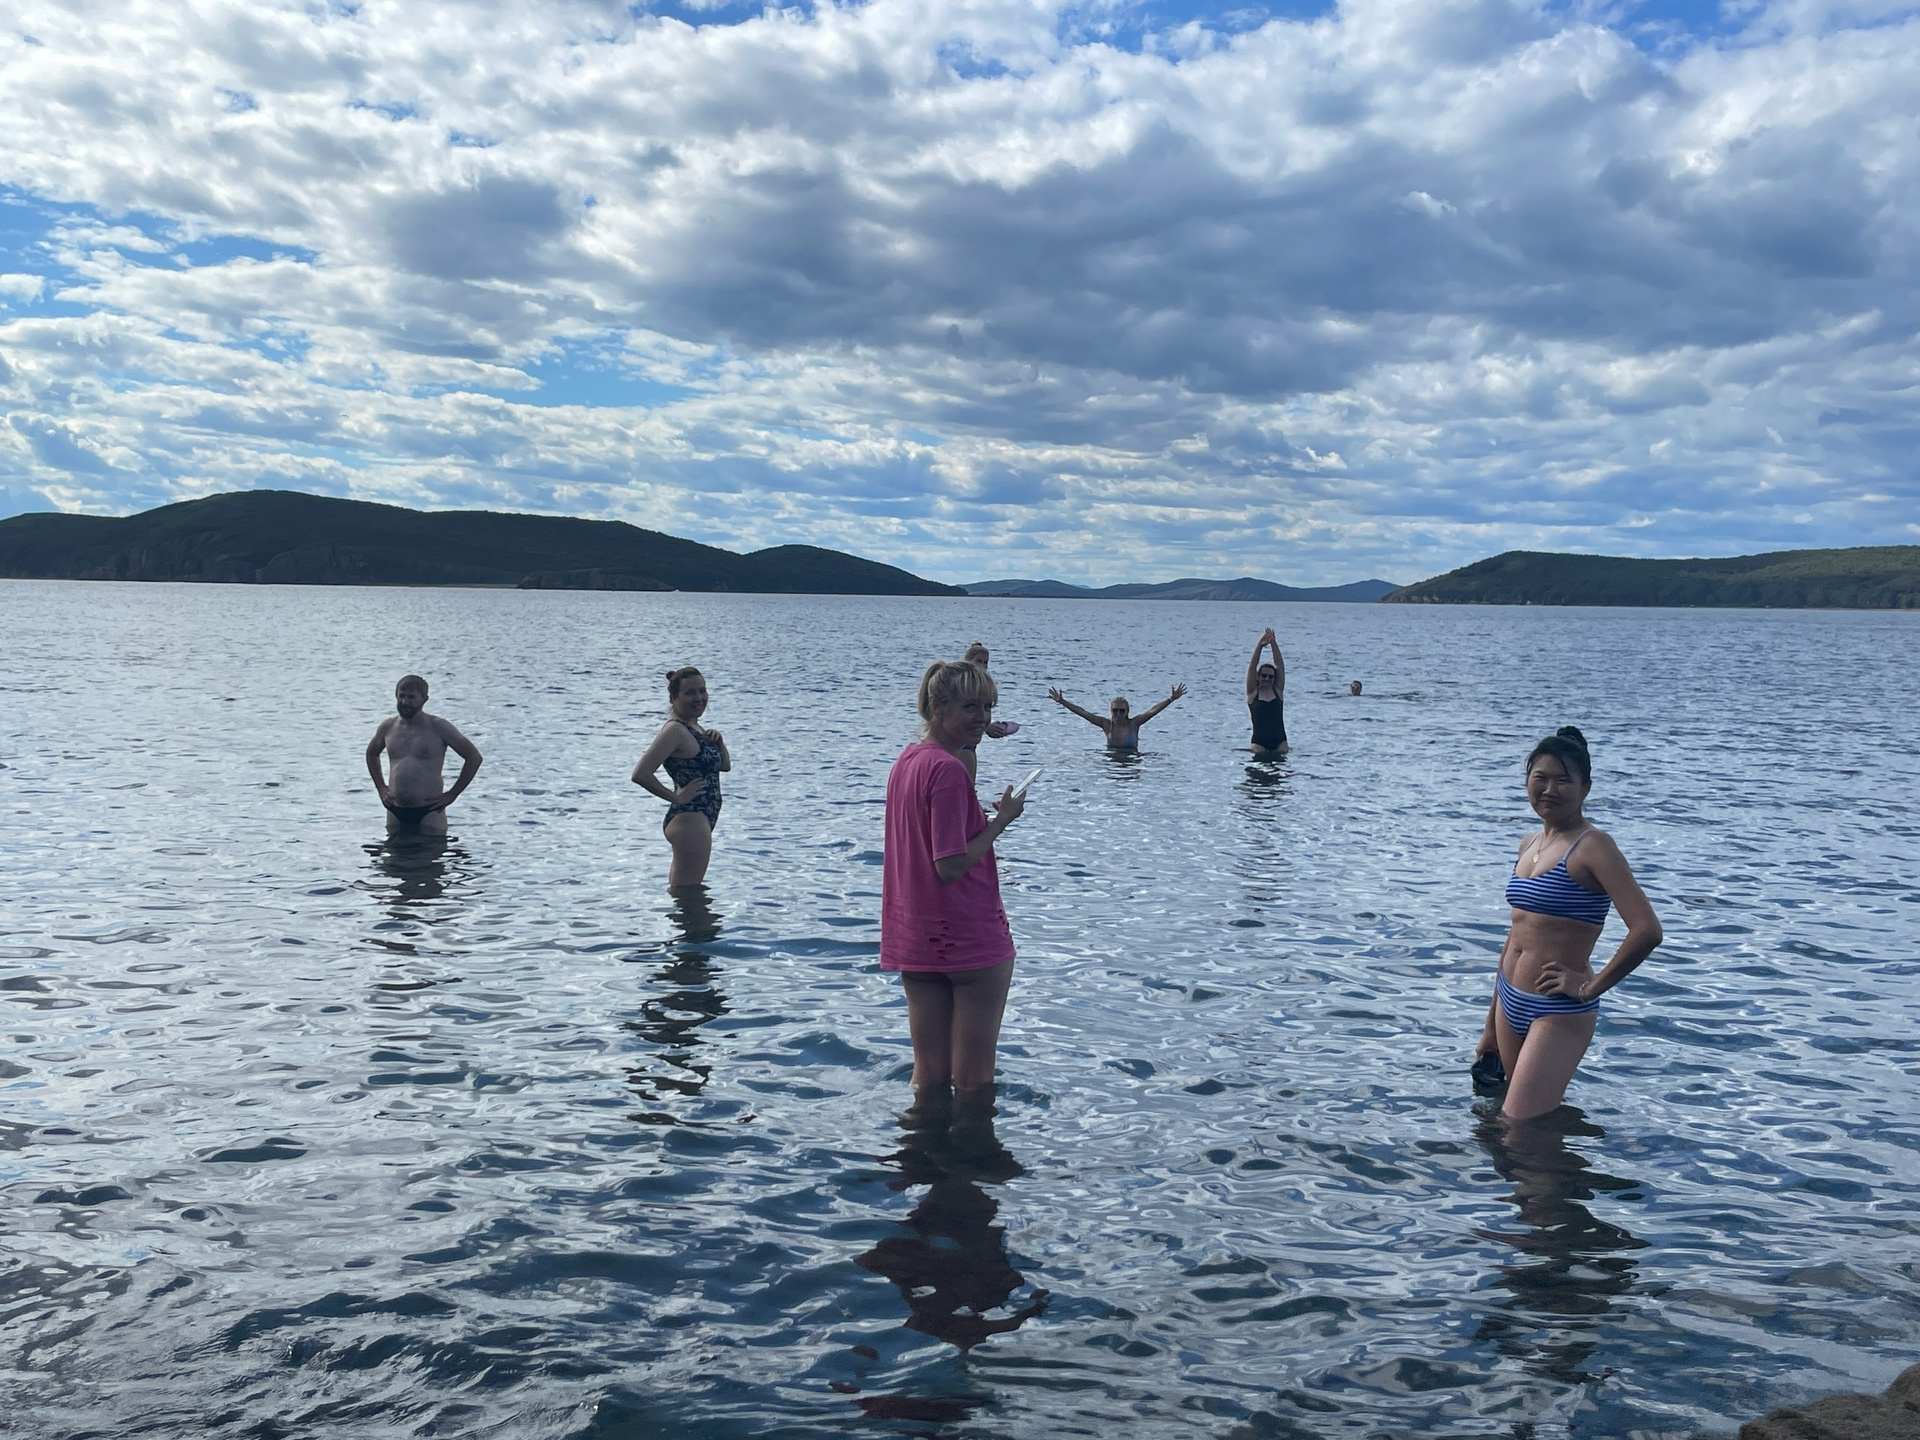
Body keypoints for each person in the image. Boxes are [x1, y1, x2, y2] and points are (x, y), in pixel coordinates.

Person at [1474, 727, 1663, 1121]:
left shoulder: (1594, 846)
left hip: (1557, 1010)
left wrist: (1589, 987)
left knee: (1520, 1125)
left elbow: (1646, 930)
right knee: (1512, 1123)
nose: (1549, 789)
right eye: (1540, 777)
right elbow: (1516, 936)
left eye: (1563, 780)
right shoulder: (1528, 843)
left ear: (1585, 788)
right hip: (1510, 999)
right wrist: (1490, 1025)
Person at [883, 660, 1025, 1105]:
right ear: (938, 706)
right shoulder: (948, 769)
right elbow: (950, 864)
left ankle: (920, 1141)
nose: (982, 717)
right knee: (974, 1081)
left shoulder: (907, 760)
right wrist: (1001, 821)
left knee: (928, 1076)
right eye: (970, 706)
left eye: (988, 706)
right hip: (968, 937)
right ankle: (968, 1149)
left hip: (916, 936)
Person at [631, 667, 731, 889]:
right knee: (688, 893)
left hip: (700, 818)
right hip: (689, 820)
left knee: (685, 892)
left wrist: (719, 743)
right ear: (674, 698)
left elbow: (724, 767)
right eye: (690, 693)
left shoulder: (694, 727)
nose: (699, 698)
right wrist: (676, 798)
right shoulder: (674, 731)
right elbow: (641, 774)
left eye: (702, 691)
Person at [364, 674, 482, 836]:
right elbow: (372, 753)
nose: (405, 702)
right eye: (401, 696)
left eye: (411, 697)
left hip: (430, 811)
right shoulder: (388, 727)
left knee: (431, 849)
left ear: (424, 699)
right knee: (393, 850)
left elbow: (473, 757)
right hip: (395, 808)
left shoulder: (439, 727)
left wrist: (452, 794)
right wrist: (381, 788)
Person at [1048, 682, 1186, 750]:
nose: (1118, 714)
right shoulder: (1106, 725)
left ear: (1127, 712)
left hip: (1132, 760)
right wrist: (1062, 701)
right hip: (1112, 761)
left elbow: (1152, 711)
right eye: (1115, 711)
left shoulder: (1134, 724)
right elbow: (1083, 713)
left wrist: (1171, 699)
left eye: (1121, 711)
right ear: (1111, 711)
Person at [1246, 628, 1287, 754]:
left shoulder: (1277, 691)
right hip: (1259, 743)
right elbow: (1252, 667)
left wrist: (1273, 643)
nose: (1267, 679)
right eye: (1264, 675)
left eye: (1270, 677)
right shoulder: (1253, 693)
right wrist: (1260, 646)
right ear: (1258, 677)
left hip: (1280, 743)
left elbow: (1280, 665)